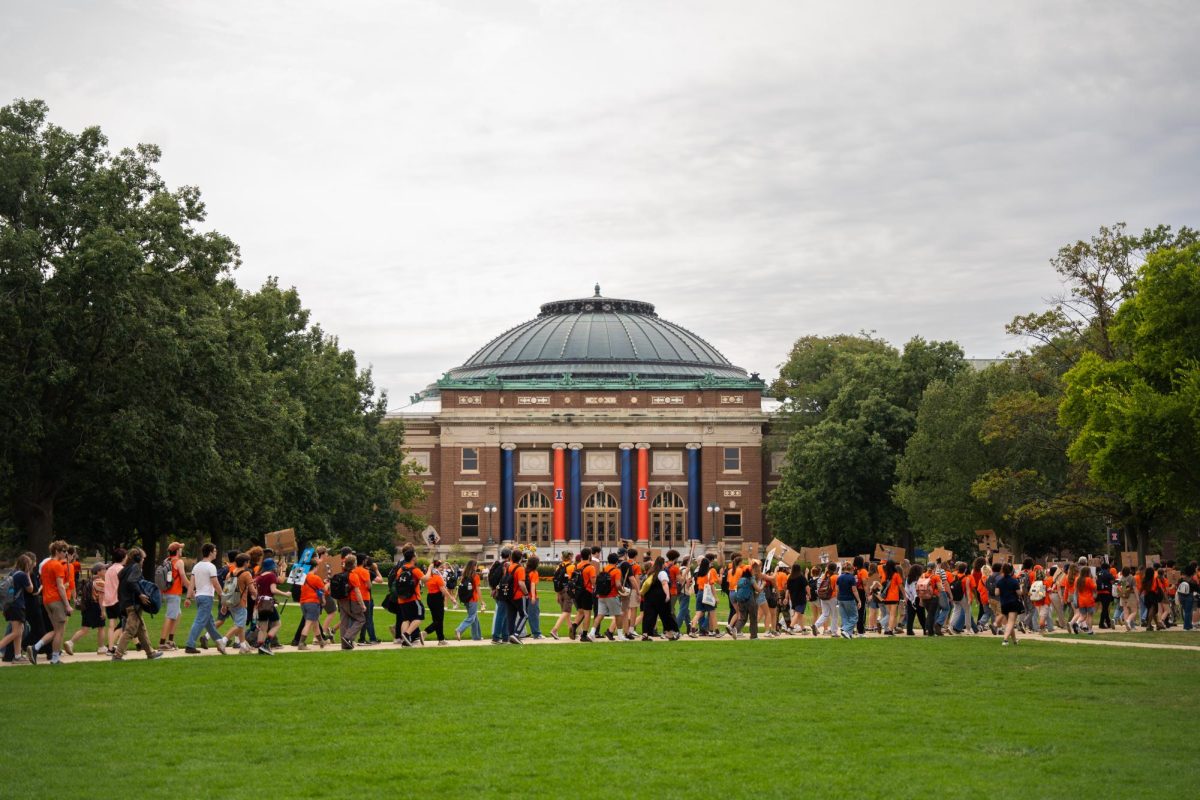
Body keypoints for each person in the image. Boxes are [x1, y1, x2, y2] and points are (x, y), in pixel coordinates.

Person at [111, 548, 163, 661]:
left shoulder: (125, 569)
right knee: (130, 630)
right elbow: (131, 581)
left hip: (125, 602)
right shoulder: (135, 567)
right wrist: (140, 594)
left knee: (141, 630)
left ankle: (151, 653)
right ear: (138, 558)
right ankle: (117, 655)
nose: (143, 560)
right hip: (133, 603)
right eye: (143, 558)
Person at [30, 540, 71, 665]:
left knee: (55, 630)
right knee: (60, 631)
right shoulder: (57, 565)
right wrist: (67, 605)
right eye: (64, 551)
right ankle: (54, 658)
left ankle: (36, 647)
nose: (66, 553)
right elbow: (60, 586)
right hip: (56, 600)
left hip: (46, 600)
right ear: (57, 551)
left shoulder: (46, 565)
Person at [183, 543, 229, 654]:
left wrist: (188, 597)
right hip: (206, 598)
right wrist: (223, 597)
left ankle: (219, 642)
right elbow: (216, 584)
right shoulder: (211, 567)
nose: (216, 552)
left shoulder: (197, 566)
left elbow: (191, 584)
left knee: (210, 623)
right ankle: (190, 645)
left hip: (199, 597)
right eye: (215, 551)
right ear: (210, 553)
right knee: (199, 621)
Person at [65, 562, 107, 655]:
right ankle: (101, 648)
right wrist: (103, 611)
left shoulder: (89, 581)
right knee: (101, 627)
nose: (106, 571)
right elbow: (101, 598)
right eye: (104, 569)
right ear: (99, 571)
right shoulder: (100, 582)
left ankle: (70, 642)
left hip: (86, 607)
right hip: (95, 606)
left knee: (84, 629)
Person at [0, 554, 35, 664]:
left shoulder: (12, 573)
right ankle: (15, 655)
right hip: (17, 606)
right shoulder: (22, 575)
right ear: (26, 565)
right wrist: (28, 574)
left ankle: (18, 656)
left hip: (10, 606)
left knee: (20, 630)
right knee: (16, 632)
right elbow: (30, 589)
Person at [252, 558, 289, 655]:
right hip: (268, 603)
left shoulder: (259, 576)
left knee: (263, 627)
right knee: (277, 624)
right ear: (272, 566)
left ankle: (260, 648)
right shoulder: (271, 575)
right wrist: (285, 594)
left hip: (259, 603)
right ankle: (266, 644)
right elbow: (273, 590)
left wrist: (283, 568)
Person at [394, 547, 429, 647]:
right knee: (419, 616)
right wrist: (430, 569)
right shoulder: (414, 569)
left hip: (402, 598)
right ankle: (407, 634)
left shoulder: (401, 569)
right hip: (413, 598)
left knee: (406, 619)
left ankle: (405, 641)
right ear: (413, 558)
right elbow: (425, 579)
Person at [640, 555, 680, 640]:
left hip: (649, 597)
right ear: (662, 564)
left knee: (649, 616)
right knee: (666, 616)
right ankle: (671, 633)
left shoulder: (650, 572)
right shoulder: (662, 573)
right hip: (660, 597)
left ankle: (646, 634)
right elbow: (664, 584)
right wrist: (667, 595)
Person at [158, 542, 189, 651]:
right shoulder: (179, 562)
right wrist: (191, 589)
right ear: (177, 551)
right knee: (170, 616)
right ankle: (162, 643)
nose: (181, 550)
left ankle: (170, 641)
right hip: (174, 593)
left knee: (177, 614)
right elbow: (183, 578)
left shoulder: (167, 560)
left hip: (167, 592)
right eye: (180, 549)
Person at [422, 560, 457, 645]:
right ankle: (425, 632)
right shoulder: (437, 577)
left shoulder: (429, 576)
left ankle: (441, 639)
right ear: (437, 567)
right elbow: (443, 590)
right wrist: (452, 598)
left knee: (436, 620)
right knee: (439, 621)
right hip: (437, 598)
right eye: (441, 567)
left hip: (430, 597)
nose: (443, 568)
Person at [296, 561, 328, 649]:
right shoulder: (316, 578)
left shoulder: (302, 576)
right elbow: (324, 590)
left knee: (315, 623)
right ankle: (301, 643)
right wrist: (327, 584)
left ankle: (321, 641)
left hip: (303, 603)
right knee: (308, 623)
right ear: (315, 567)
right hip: (313, 603)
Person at [102, 548, 126, 652]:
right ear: (123, 557)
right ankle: (116, 645)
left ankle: (111, 648)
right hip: (118, 600)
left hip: (108, 600)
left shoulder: (109, 570)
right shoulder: (121, 569)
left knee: (111, 625)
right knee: (125, 622)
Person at [356, 556, 382, 646]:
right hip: (366, 597)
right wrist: (376, 569)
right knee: (368, 619)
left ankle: (360, 638)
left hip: (356, 597)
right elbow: (380, 580)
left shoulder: (355, 570)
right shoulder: (368, 572)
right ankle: (370, 638)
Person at [489, 546, 513, 644]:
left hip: (498, 591)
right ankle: (496, 637)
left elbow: (492, 578)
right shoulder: (506, 565)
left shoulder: (497, 564)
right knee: (501, 615)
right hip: (504, 592)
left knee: (505, 615)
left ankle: (505, 637)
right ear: (509, 556)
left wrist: (494, 589)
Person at [548, 551, 574, 640]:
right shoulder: (572, 567)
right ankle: (554, 630)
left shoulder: (559, 566)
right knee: (566, 611)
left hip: (560, 591)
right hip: (568, 591)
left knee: (566, 612)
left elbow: (557, 581)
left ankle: (571, 631)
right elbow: (573, 580)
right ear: (570, 557)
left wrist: (557, 595)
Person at [571, 548, 596, 642]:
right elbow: (593, 581)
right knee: (587, 613)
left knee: (580, 611)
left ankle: (574, 625)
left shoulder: (577, 566)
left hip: (578, 592)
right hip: (587, 591)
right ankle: (584, 635)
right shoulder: (591, 567)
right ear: (589, 556)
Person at [455, 560, 483, 641]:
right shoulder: (475, 576)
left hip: (466, 599)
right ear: (474, 566)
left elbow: (459, 588)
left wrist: (455, 598)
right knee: (471, 617)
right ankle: (459, 630)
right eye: (476, 565)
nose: (477, 567)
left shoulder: (464, 575)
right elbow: (478, 589)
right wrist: (482, 601)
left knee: (475, 618)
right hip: (473, 599)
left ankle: (476, 636)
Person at [997, 563, 1022, 646]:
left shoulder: (999, 581)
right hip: (1013, 602)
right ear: (1011, 571)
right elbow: (1019, 593)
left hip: (1004, 603)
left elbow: (996, 593)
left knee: (1009, 623)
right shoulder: (1014, 581)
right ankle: (1005, 640)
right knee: (1011, 622)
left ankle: (1014, 640)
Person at [835, 561, 859, 639]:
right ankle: (845, 630)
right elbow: (854, 590)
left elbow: (837, 589)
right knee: (854, 617)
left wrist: (837, 598)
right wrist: (859, 600)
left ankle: (848, 634)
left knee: (844, 616)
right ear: (851, 569)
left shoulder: (839, 577)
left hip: (840, 598)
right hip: (849, 599)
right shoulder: (851, 577)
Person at [811, 562, 837, 637]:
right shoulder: (835, 577)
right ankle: (834, 632)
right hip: (832, 597)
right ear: (835, 569)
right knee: (834, 615)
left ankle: (816, 625)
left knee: (825, 613)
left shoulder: (823, 576)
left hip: (823, 597)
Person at [786, 562, 810, 635]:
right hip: (801, 597)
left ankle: (803, 629)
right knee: (797, 613)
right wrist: (809, 594)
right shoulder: (801, 577)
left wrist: (786, 598)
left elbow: (788, 589)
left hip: (793, 598)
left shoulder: (790, 577)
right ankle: (790, 628)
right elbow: (807, 586)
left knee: (800, 614)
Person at [524, 555, 542, 640]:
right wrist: (534, 597)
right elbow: (533, 585)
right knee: (534, 615)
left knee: (525, 615)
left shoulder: (525, 571)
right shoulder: (534, 573)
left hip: (524, 596)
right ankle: (536, 633)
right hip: (532, 596)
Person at [1140, 566, 1164, 631]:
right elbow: (1160, 588)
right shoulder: (1155, 579)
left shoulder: (1144, 579)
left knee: (1151, 610)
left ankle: (1157, 625)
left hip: (1146, 595)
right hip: (1153, 595)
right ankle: (1148, 625)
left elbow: (1141, 589)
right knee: (1152, 610)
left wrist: (1139, 595)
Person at [903, 563, 924, 636]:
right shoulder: (918, 580)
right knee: (921, 615)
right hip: (917, 598)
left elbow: (906, 589)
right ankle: (925, 629)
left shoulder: (908, 579)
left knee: (910, 616)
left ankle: (909, 630)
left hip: (910, 599)